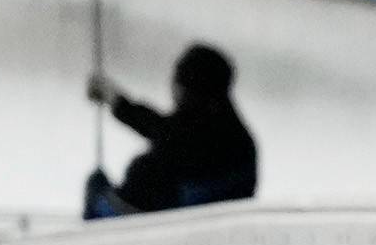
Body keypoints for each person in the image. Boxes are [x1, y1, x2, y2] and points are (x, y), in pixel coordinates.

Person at [85, 42, 253, 213]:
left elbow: (166, 131)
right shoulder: (237, 139)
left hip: (170, 225)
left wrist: (97, 198)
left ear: (189, 88)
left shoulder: (190, 141)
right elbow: (166, 130)